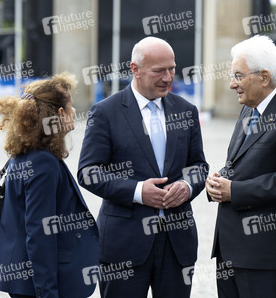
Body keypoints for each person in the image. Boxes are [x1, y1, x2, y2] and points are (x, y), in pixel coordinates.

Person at [77, 36, 208, 298]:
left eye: (172, 69)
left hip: (176, 243)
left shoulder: (187, 110)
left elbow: (198, 165)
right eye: (159, 71)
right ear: (134, 69)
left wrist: (186, 185)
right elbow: (88, 172)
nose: (168, 77)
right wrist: (137, 191)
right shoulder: (105, 112)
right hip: (123, 246)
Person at [205, 35, 276, 298]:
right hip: (229, 252)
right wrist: (218, 182)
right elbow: (238, 163)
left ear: (263, 77)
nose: (231, 84)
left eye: (238, 76)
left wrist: (234, 191)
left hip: (265, 258)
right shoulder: (249, 108)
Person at [0, 72, 99, 298]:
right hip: (39, 286)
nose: (74, 111)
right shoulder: (43, 162)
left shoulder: (25, 155)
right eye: (71, 105)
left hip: (25, 281)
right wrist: (47, 293)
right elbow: (40, 233)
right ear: (60, 113)